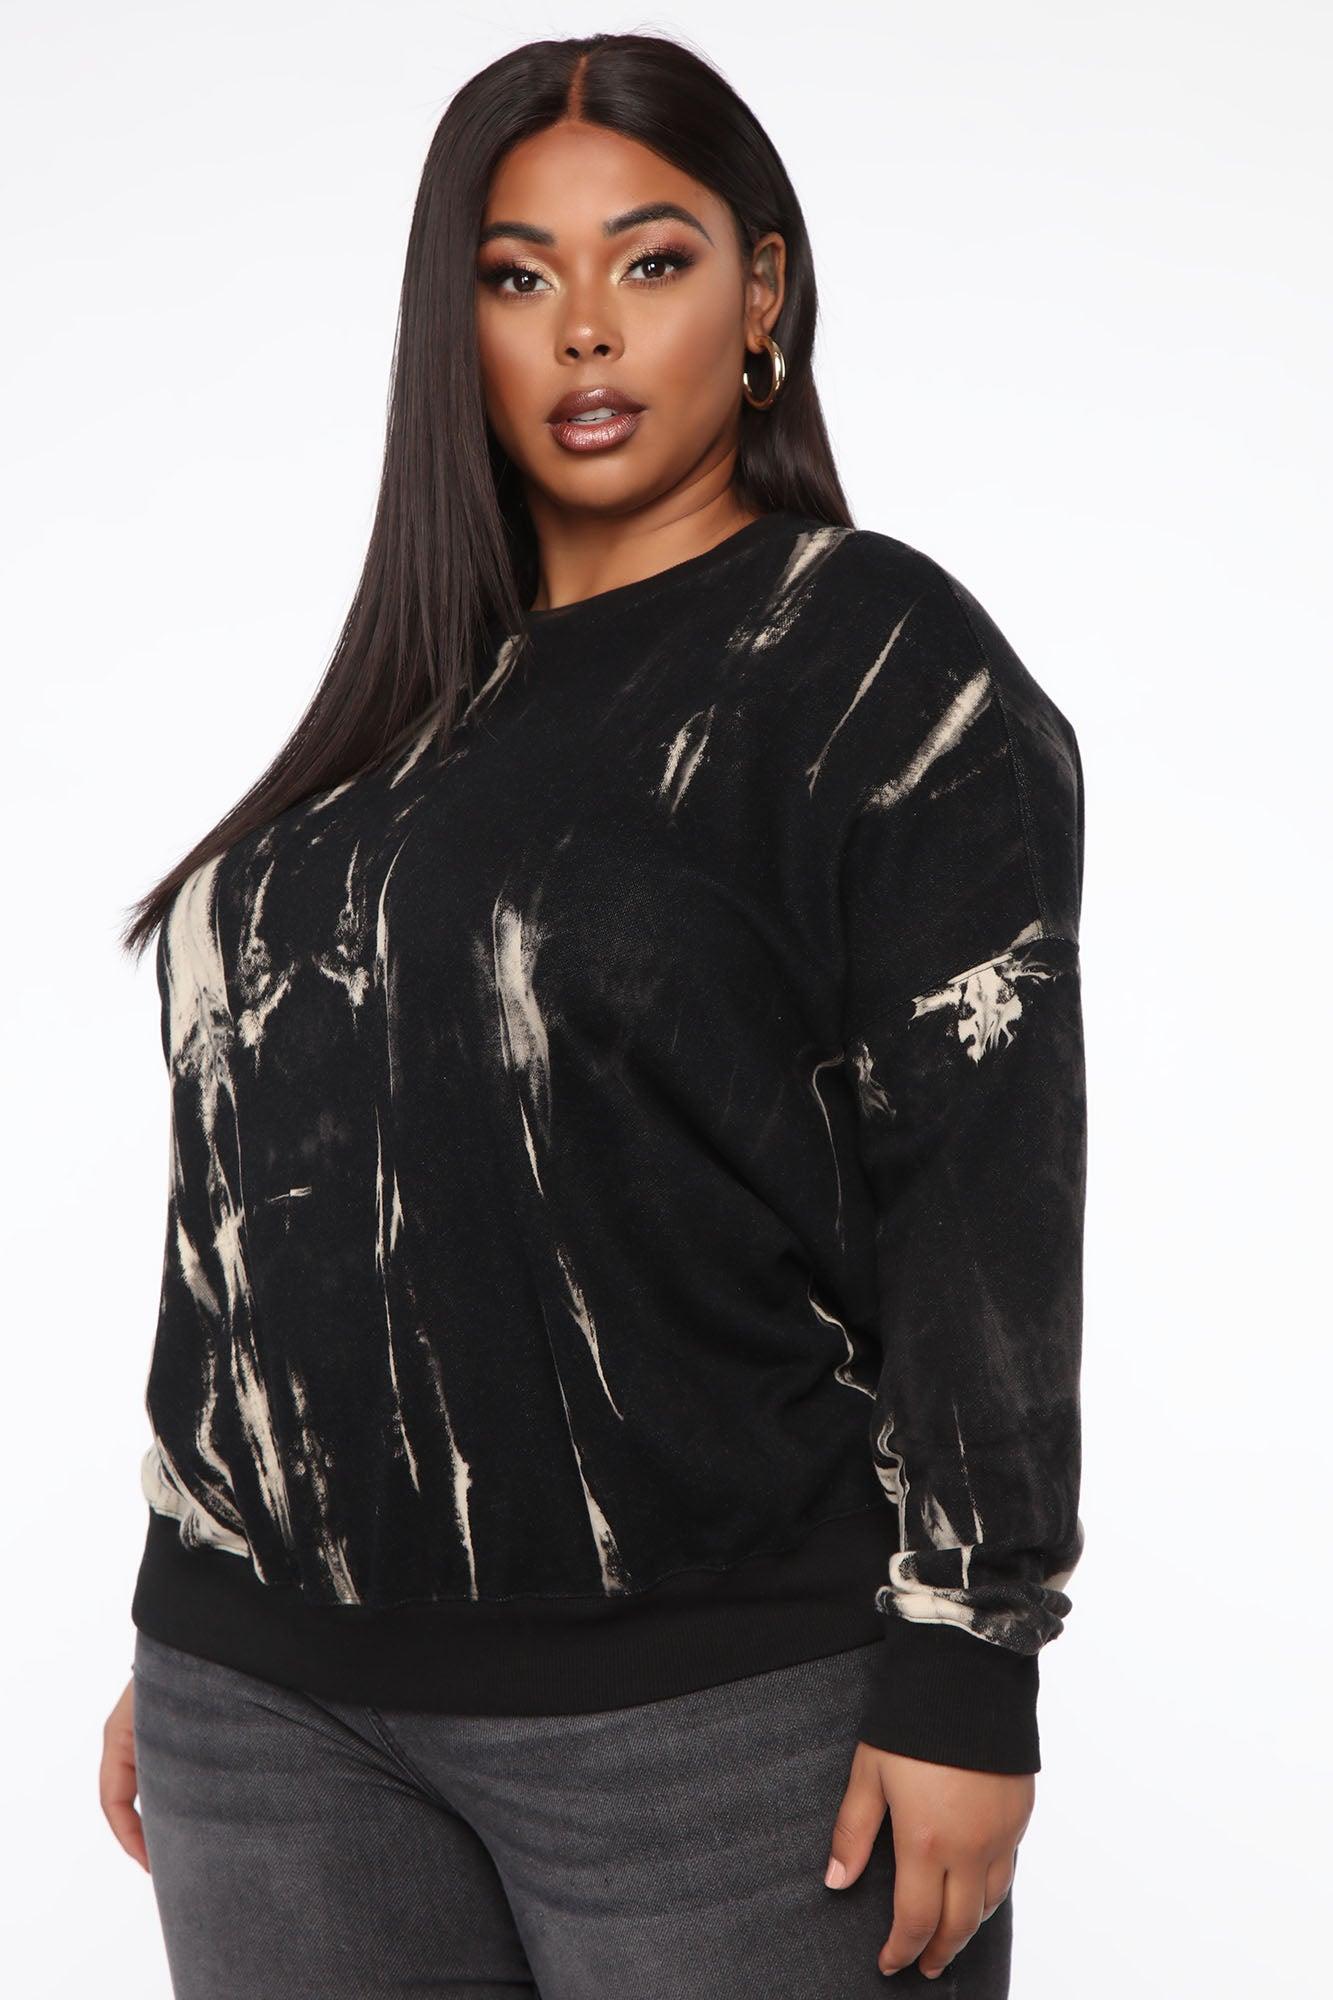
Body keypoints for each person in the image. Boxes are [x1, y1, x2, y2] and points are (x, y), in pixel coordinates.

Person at [99, 29, 1088, 2000]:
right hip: (268, 1716)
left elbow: (981, 1186)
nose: (583, 330)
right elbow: (249, 1198)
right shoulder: (402, 708)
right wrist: (190, 1598)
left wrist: (971, 1660)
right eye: (513, 273)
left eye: (649, 260)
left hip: (712, 1715)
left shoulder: (869, 665)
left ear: (762, 292)